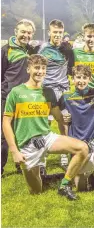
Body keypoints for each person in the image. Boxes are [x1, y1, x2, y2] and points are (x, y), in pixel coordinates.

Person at [2, 54, 88, 200]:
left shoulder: (48, 92)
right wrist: (14, 151)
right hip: (27, 145)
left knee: (82, 148)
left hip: (47, 137)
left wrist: (66, 118)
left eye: (43, 68)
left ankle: (64, 184)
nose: (40, 71)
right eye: (36, 68)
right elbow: (5, 122)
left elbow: (58, 117)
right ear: (28, 69)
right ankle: (48, 177)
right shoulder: (16, 92)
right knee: (36, 191)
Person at [1, 19, 38, 175]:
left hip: (26, 99)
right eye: (23, 31)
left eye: (29, 33)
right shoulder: (5, 50)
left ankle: (21, 164)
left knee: (23, 133)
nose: (26, 35)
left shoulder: (31, 50)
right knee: (3, 134)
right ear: (16, 32)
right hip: (7, 97)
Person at [38, 19, 74, 170]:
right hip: (48, 91)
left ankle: (64, 154)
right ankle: (41, 157)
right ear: (49, 32)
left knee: (64, 122)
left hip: (64, 90)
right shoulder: (43, 49)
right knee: (44, 123)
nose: (57, 35)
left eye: (60, 32)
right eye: (55, 32)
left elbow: (71, 67)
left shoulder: (66, 49)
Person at [73, 23, 94, 89]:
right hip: (81, 92)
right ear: (84, 36)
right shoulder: (75, 53)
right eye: (89, 36)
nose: (92, 39)